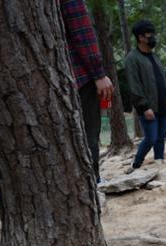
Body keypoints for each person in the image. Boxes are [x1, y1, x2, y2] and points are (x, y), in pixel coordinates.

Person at [60, 0, 114, 184]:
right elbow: (82, 31)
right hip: (80, 76)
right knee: (88, 133)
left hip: (56, 79)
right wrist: (98, 73)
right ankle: (93, 181)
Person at [125, 20, 166, 172]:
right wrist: (144, 106)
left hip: (164, 105)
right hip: (148, 107)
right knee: (151, 138)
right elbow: (134, 85)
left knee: (160, 137)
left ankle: (159, 163)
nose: (153, 37)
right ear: (141, 37)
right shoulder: (132, 58)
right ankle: (136, 164)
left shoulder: (155, 56)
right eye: (149, 34)